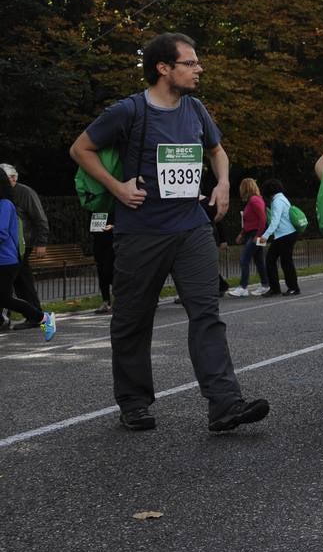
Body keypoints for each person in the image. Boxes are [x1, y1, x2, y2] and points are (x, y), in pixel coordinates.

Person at [69, 31, 268, 432]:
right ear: (164, 68)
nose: (199, 68)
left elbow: (216, 150)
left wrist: (224, 182)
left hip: (191, 227)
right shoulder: (129, 111)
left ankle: (225, 405)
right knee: (133, 319)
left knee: (207, 313)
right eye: (190, 63)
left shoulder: (195, 109)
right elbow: (80, 149)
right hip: (140, 231)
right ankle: (134, 401)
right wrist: (118, 187)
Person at [0, 177, 54, 339]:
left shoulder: (5, 204)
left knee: (4, 298)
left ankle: (43, 317)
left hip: (5, 260)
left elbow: (1, 233)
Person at [258, 178, 300, 296]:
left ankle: (290, 288)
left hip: (284, 235)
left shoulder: (277, 201)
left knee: (279, 261)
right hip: (287, 234)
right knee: (279, 261)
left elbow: (275, 221)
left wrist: (265, 236)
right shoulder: (282, 198)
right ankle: (283, 287)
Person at [228, 177, 268, 297]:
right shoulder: (254, 200)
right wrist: (242, 234)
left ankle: (243, 287)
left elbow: (263, 219)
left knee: (244, 258)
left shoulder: (254, 201)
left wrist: (258, 235)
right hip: (255, 233)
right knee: (259, 260)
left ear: (245, 188)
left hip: (256, 234)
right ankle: (265, 284)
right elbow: (250, 221)